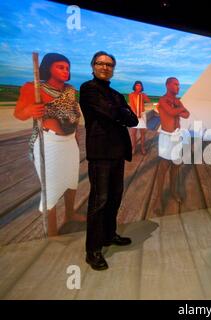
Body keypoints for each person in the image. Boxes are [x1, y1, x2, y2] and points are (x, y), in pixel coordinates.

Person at [79, 51, 138, 271]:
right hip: (100, 153)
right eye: (100, 63)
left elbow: (131, 119)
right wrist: (120, 111)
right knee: (99, 200)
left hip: (117, 152)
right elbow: (109, 112)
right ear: (93, 66)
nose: (105, 67)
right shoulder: (88, 89)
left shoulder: (115, 93)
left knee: (114, 197)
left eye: (109, 64)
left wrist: (120, 112)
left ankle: (108, 235)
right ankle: (92, 250)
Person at [14, 53, 84, 236]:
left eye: (67, 68)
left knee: (71, 180)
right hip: (49, 142)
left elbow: (72, 115)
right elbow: (19, 113)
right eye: (60, 67)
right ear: (48, 68)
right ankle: (52, 233)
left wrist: (76, 140)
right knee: (51, 188)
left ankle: (69, 215)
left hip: (70, 141)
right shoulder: (33, 87)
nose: (65, 70)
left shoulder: (70, 90)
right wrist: (30, 109)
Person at [150, 77, 190, 215]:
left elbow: (187, 115)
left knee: (175, 165)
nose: (178, 87)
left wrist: (178, 108)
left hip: (177, 136)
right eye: (175, 84)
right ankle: (158, 198)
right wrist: (180, 109)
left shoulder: (177, 101)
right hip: (167, 136)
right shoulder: (162, 100)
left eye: (179, 85)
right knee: (163, 167)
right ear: (167, 85)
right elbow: (173, 112)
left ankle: (173, 191)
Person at [129, 81, 151, 155]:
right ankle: (133, 147)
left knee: (142, 133)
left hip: (142, 114)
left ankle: (142, 147)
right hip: (134, 115)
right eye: (137, 85)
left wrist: (145, 96)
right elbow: (132, 105)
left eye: (140, 85)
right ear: (135, 86)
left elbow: (148, 101)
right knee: (133, 133)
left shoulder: (142, 95)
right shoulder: (131, 95)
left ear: (141, 87)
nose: (138, 87)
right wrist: (135, 113)